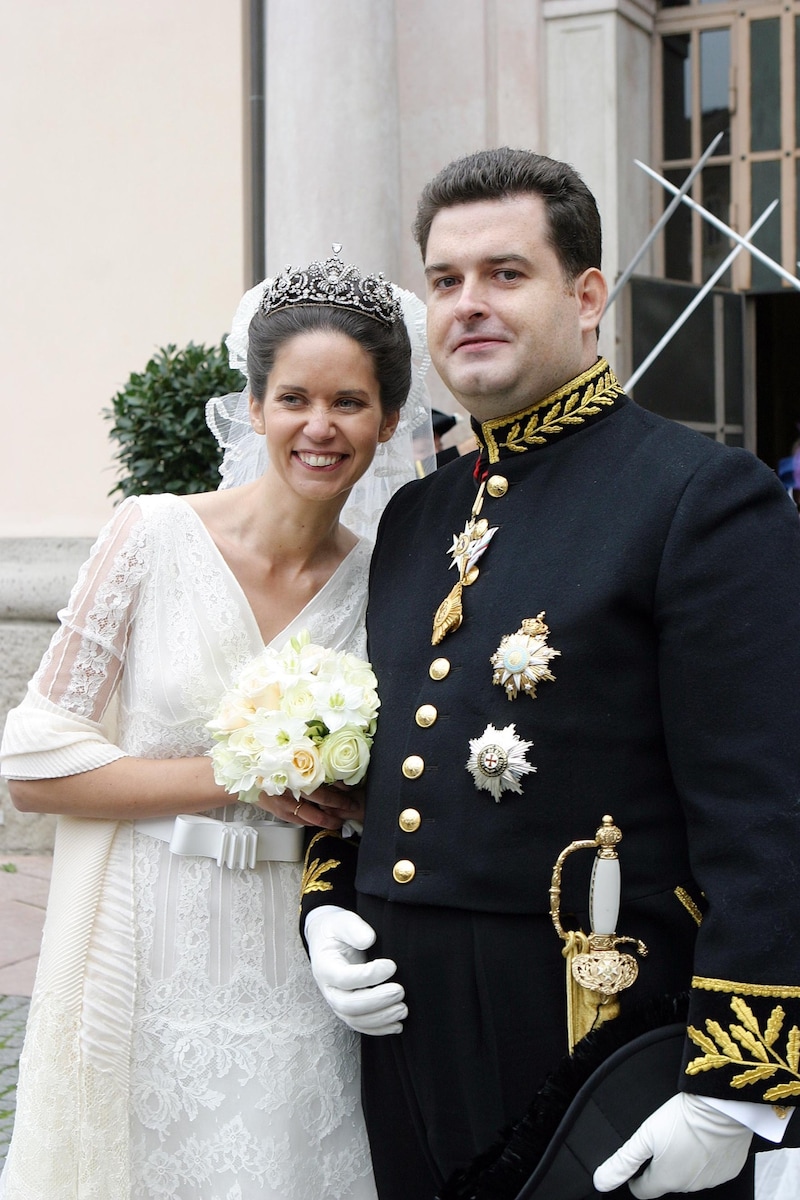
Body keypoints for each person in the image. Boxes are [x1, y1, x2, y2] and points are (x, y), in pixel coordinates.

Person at [263, 149, 800, 1200]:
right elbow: (377, 766)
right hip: (401, 1016)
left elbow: (767, 812)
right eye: (445, 279)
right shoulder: (419, 513)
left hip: (592, 1019)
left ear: (586, 294)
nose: (468, 304)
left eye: (505, 274)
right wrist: (327, 903)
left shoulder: (700, 497)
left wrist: (734, 1086)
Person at [0, 248, 431, 1200]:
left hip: (299, 958)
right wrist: (242, 774)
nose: (320, 428)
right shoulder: (151, 536)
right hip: (146, 943)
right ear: (252, 406)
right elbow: (32, 767)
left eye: (350, 403)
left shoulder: (386, 583)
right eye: (294, 399)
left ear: (391, 421)